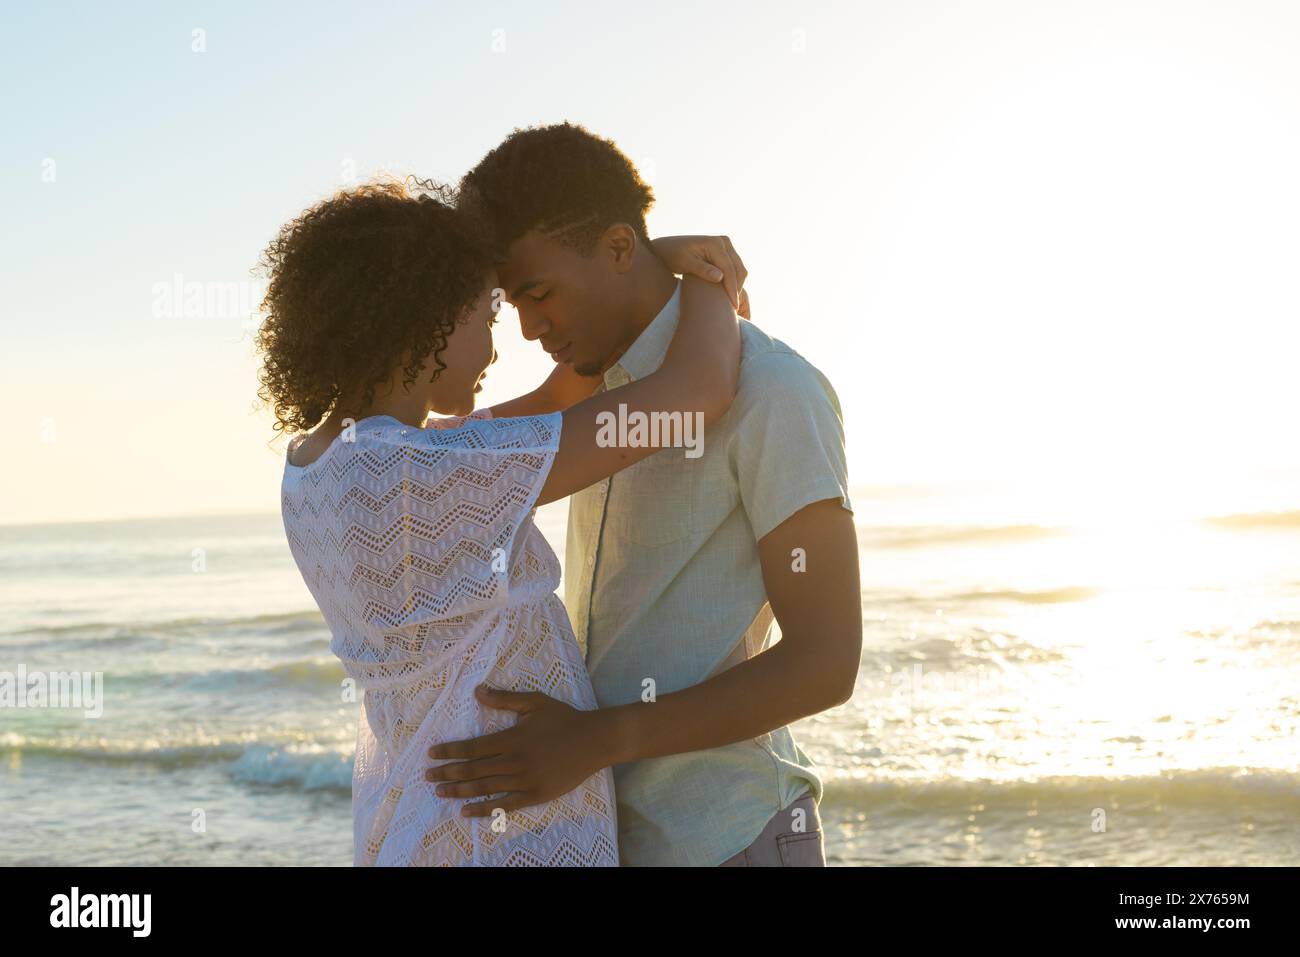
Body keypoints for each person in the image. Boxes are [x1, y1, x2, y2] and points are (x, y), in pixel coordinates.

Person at [257, 178, 745, 865]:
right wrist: (703, 279)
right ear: (424, 316)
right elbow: (696, 392)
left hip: (420, 827)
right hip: (499, 840)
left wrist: (643, 262)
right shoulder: (432, 473)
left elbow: (562, 390)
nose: (498, 342)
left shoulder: (324, 467)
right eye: (485, 315)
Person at [425, 122, 863, 866]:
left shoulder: (777, 391)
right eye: (513, 303)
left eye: (539, 294)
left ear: (622, 249)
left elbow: (827, 659)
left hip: (735, 837)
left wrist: (596, 739)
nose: (530, 329)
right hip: (609, 839)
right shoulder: (592, 399)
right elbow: (440, 458)